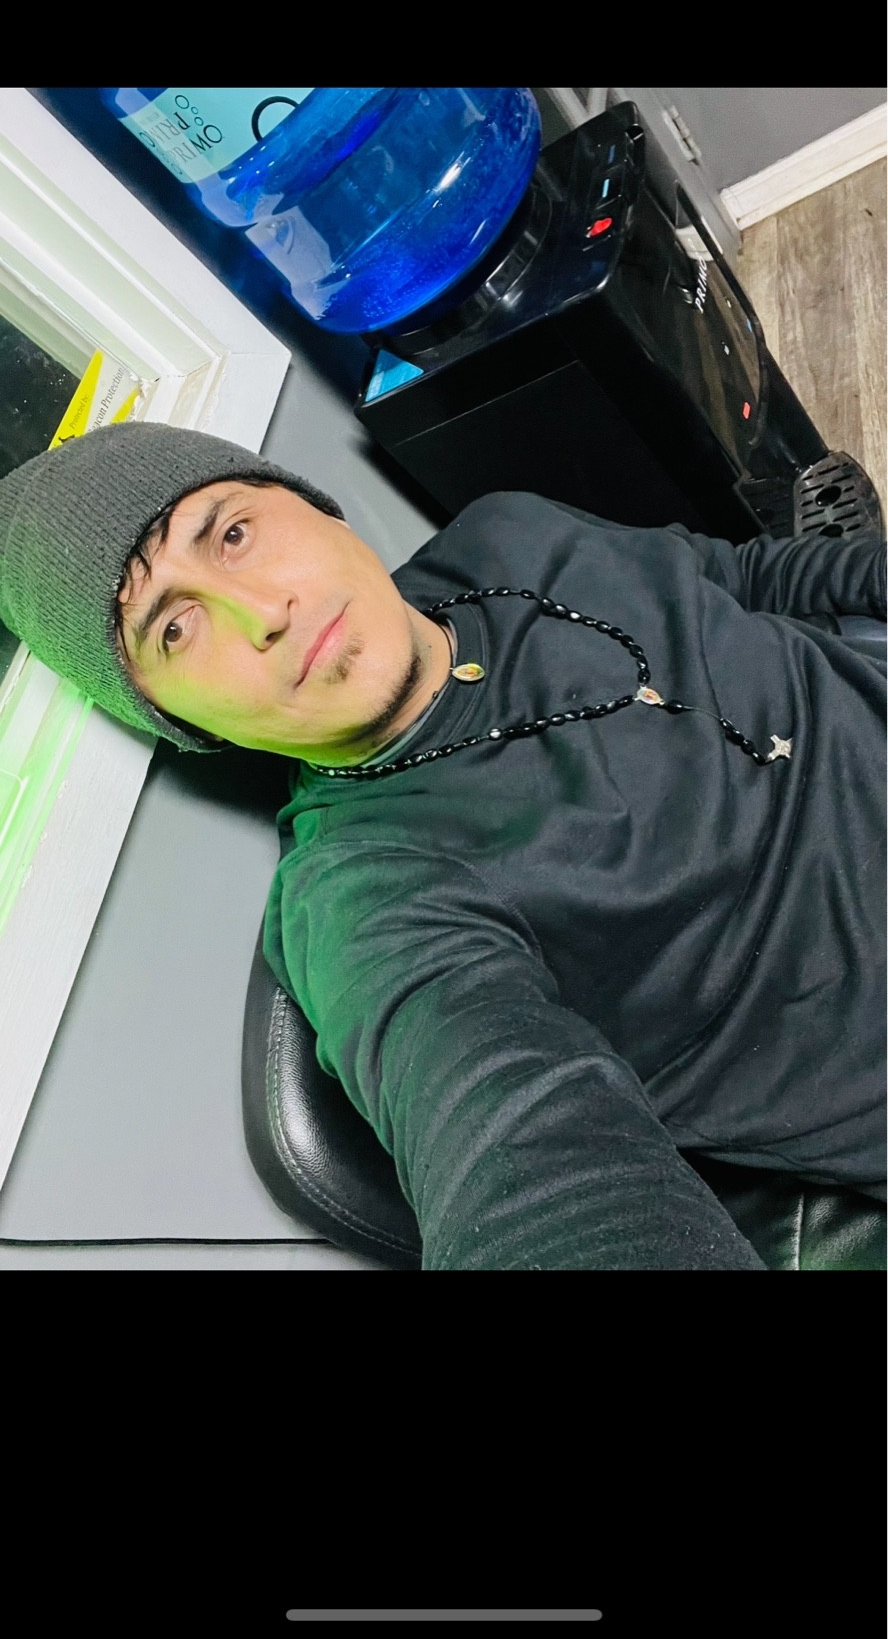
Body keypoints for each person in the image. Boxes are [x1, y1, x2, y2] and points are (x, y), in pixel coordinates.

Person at [1, 421, 885, 1271]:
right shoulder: (367, 897)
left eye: (232, 533)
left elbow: (747, 574)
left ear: (313, 504)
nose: (261, 610)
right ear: (179, 721)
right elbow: (523, 1157)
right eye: (174, 629)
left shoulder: (506, 533)